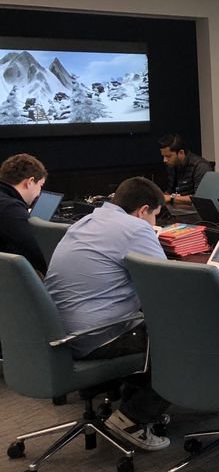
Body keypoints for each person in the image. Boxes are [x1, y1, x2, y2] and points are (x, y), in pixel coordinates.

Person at [45, 176, 171, 451]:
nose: (154, 225)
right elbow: (165, 287)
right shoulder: (136, 229)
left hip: (61, 330)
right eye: (154, 218)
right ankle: (133, 418)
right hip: (96, 336)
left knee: (150, 323)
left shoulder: (87, 221)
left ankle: (136, 401)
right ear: (142, 211)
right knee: (183, 336)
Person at [0, 153, 49, 275]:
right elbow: (36, 253)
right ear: (30, 181)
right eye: (40, 186)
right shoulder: (10, 209)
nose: (38, 194)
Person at [159, 133, 212, 207]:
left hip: (194, 211)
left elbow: (199, 199)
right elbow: (169, 191)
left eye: (168, 156)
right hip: (178, 207)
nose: (164, 160)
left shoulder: (200, 167)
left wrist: (171, 198)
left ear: (181, 153)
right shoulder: (172, 165)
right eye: (163, 156)